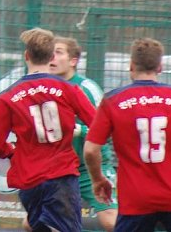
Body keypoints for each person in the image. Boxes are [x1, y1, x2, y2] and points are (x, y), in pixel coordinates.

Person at [84, 37, 171, 232]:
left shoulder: (113, 100)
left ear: (131, 66)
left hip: (135, 198)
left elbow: (90, 150)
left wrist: (98, 179)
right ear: (160, 67)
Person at [0, 27, 96, 232]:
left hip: (29, 180)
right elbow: (97, 124)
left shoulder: (7, 97)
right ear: (52, 56)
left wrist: (12, 152)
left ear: (26, 56)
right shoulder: (68, 89)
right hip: (61, 175)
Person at [42, 36, 118, 231]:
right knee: (34, 223)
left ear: (73, 61)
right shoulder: (43, 88)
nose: (52, 56)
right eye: (50, 52)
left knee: (110, 221)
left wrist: (78, 130)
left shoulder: (87, 88)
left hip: (89, 169)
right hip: (58, 170)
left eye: (58, 52)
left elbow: (105, 128)